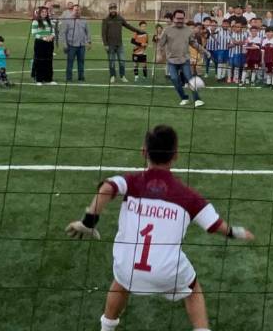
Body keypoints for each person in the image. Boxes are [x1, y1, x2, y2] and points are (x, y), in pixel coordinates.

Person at [65, 125, 254, 331]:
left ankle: (106, 328)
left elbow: (107, 187)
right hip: (167, 271)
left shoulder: (131, 182)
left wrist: (88, 222)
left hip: (128, 267)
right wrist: (236, 232)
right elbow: (216, 226)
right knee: (192, 290)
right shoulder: (188, 196)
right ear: (176, 155)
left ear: (144, 152)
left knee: (121, 281)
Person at [157, 10, 209, 107]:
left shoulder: (188, 30)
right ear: (173, 18)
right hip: (171, 60)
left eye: (182, 18)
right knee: (174, 79)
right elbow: (161, 44)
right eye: (178, 18)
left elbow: (193, 43)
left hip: (185, 60)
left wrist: (205, 51)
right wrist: (159, 55)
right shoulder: (167, 30)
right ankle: (184, 98)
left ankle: (197, 99)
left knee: (190, 79)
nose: (180, 20)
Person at [102, 3, 143, 83]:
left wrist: (138, 31)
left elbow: (128, 26)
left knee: (122, 61)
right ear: (109, 10)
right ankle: (112, 76)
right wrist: (105, 44)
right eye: (111, 8)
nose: (113, 10)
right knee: (112, 62)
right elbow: (103, 33)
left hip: (119, 44)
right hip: (110, 45)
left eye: (114, 8)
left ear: (116, 9)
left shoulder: (120, 18)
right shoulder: (106, 19)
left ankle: (122, 76)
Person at [63, 4, 92, 82]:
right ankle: (69, 78)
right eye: (75, 10)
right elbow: (63, 33)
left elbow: (88, 32)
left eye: (78, 10)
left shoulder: (84, 20)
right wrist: (65, 45)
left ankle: (81, 78)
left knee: (81, 63)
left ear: (80, 11)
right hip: (71, 46)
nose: (77, 11)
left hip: (81, 45)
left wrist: (89, 42)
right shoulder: (67, 20)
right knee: (70, 63)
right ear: (72, 11)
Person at [31, 6, 57, 85]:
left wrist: (51, 36)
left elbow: (53, 32)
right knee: (39, 61)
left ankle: (48, 79)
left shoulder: (50, 22)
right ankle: (39, 79)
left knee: (49, 61)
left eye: (45, 12)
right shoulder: (35, 21)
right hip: (40, 43)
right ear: (39, 13)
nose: (44, 13)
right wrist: (44, 38)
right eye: (42, 12)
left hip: (49, 43)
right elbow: (34, 33)